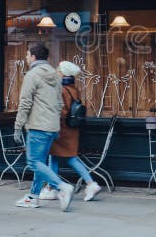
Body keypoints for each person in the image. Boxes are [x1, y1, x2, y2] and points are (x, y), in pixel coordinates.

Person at [13, 42, 75, 211]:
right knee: (40, 163)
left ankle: (62, 186)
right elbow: (60, 102)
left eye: (27, 55)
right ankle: (33, 196)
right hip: (52, 127)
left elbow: (25, 103)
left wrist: (18, 126)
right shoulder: (55, 75)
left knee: (33, 162)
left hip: (38, 125)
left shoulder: (32, 75)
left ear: (33, 57)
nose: (26, 58)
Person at [39, 61, 102, 203]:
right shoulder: (74, 89)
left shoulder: (61, 89)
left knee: (67, 158)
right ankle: (53, 187)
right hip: (72, 130)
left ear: (62, 73)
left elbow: (60, 111)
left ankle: (88, 184)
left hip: (61, 130)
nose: (56, 71)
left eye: (58, 69)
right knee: (58, 156)